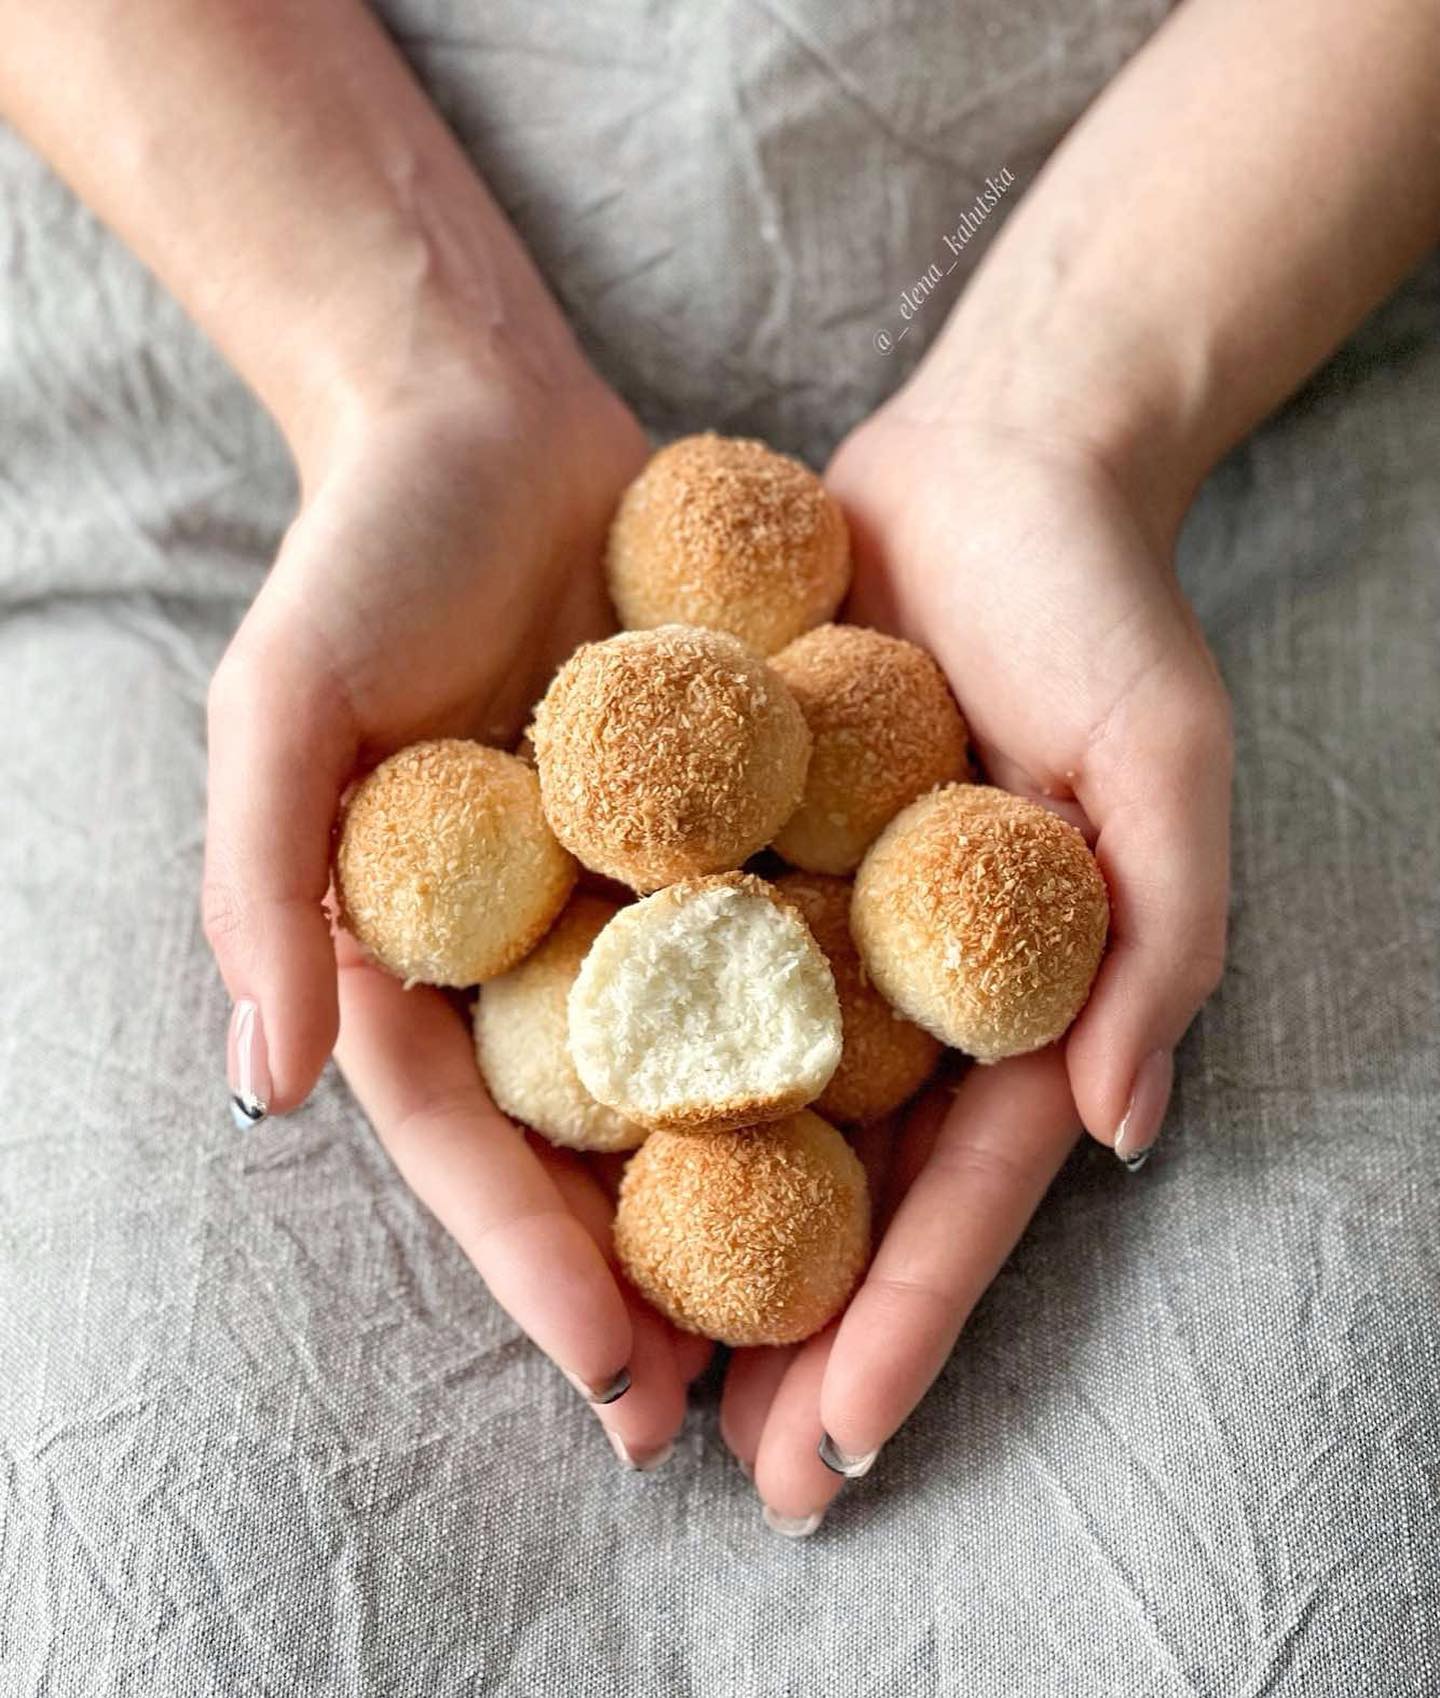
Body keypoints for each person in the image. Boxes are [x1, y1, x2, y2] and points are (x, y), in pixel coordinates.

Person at [2, 0, 1436, 1570]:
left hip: (1262, 333)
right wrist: (411, 366)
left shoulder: (842, 793)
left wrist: (1061, 419)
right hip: (241, 315)